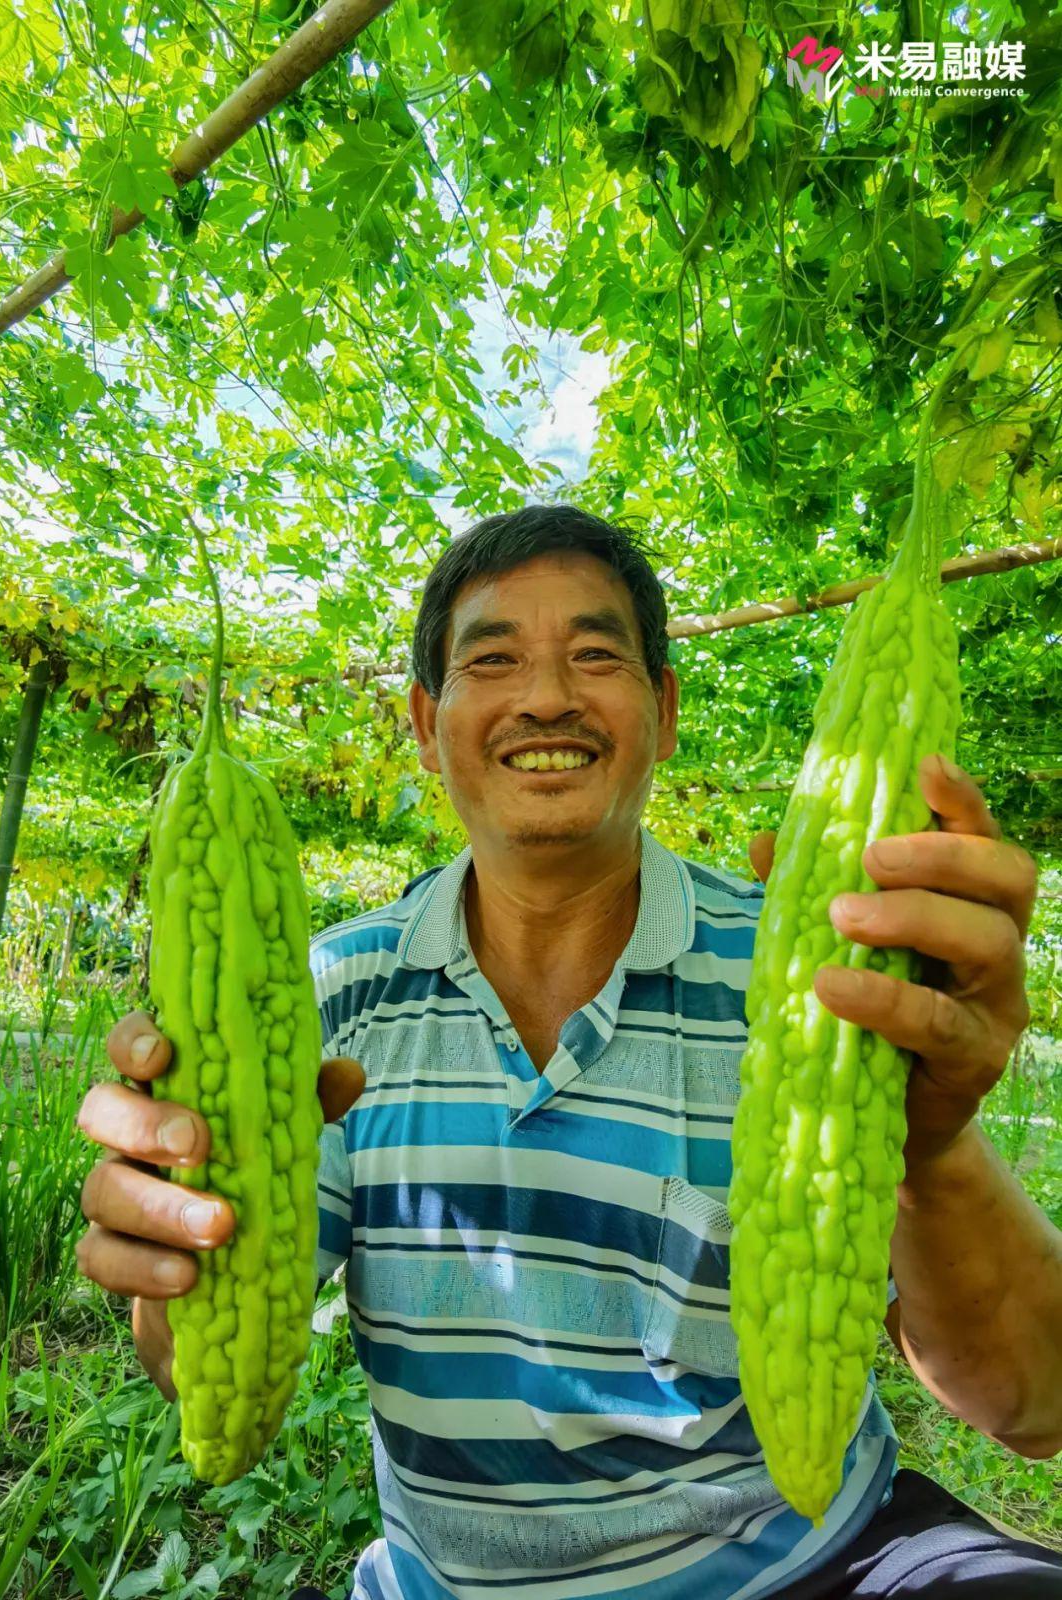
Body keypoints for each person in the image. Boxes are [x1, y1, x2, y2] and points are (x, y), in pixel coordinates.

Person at [76, 506, 1062, 1598]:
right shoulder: (332, 997)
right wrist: (174, 1231)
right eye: (493, 659)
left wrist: (929, 1143)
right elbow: (193, 1370)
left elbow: (1037, 1400)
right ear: (425, 720)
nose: (546, 695)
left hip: (816, 1566)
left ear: (666, 711)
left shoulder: (810, 976)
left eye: (595, 655)